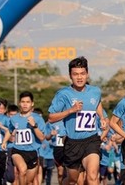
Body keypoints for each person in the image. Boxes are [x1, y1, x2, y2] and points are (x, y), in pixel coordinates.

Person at [48, 56, 109, 185]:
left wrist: (102, 118)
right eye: (75, 74)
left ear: (87, 74)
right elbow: (51, 117)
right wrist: (70, 110)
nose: (79, 77)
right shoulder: (63, 94)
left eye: (82, 74)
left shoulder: (95, 91)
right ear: (70, 76)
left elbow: (97, 104)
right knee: (73, 180)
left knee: (92, 177)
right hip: (72, 143)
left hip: (91, 140)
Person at [8, 91, 46, 185]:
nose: (25, 104)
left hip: (32, 153)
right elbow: (9, 132)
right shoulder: (13, 119)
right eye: (23, 102)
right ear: (19, 103)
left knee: (28, 181)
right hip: (17, 150)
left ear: (32, 103)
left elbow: (42, 138)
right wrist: (6, 140)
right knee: (22, 170)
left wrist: (34, 126)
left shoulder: (38, 119)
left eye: (27, 102)